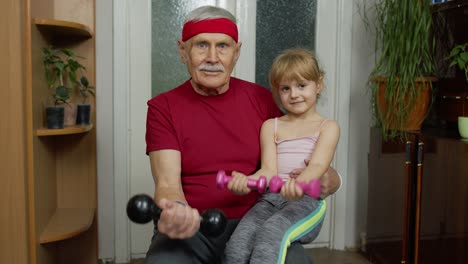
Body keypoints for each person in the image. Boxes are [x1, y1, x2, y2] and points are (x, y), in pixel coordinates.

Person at [144, 5, 341, 264]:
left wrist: (332, 179)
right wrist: (177, 211)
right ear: (183, 51)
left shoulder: (262, 99)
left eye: (223, 46)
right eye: (201, 45)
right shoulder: (162, 107)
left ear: (236, 53)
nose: (212, 57)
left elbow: (300, 155)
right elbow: (168, 185)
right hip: (194, 227)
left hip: (258, 219)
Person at [223, 48, 340, 264]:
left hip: (307, 202)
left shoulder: (328, 127)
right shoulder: (271, 126)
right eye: (286, 88)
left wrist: (300, 184)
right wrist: (246, 182)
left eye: (301, 86)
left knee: (270, 235)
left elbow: (318, 166)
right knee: (238, 244)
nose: (294, 94)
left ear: (319, 84)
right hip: (270, 199)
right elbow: (268, 170)